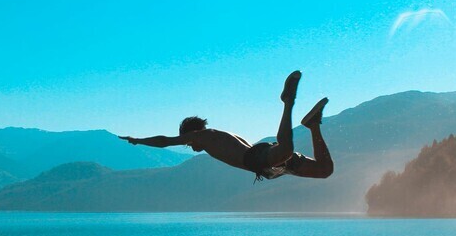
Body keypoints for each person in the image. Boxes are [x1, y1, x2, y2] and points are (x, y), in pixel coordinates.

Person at [119, 70, 334, 181]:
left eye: (188, 143)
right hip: (266, 165)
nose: (191, 147)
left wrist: (138, 140)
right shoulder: (218, 135)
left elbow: (165, 142)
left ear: (191, 133)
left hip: (258, 158)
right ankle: (313, 125)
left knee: (285, 149)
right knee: (324, 170)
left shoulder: (202, 136)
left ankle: (288, 101)